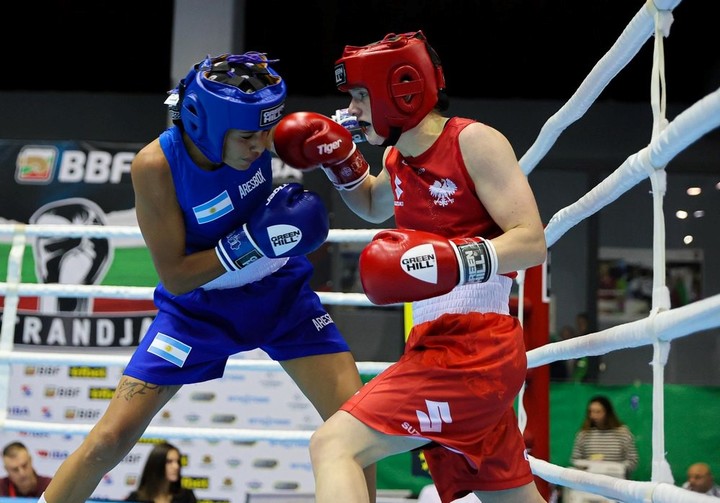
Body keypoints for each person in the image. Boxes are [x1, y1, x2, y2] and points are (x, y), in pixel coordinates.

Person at [36, 52, 375, 503]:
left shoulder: (261, 132)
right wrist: (251, 241)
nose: (261, 146)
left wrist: (347, 136)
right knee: (108, 442)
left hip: (280, 294)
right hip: (198, 309)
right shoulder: (156, 166)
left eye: (266, 132)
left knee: (357, 427)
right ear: (206, 126)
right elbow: (175, 276)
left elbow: (319, 134)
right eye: (248, 136)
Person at [273, 30, 547, 503]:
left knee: (333, 445)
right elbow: (375, 205)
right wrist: (340, 163)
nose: (353, 109)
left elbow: (532, 241)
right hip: (437, 340)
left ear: (400, 89)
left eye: (360, 95)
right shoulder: (398, 156)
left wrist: (453, 258)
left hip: (473, 347)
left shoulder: (474, 140)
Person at [570, 395, 638, 478]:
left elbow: (633, 460)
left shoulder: (623, 434)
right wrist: (589, 466)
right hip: (591, 482)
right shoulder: (584, 434)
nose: (594, 416)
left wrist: (614, 468)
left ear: (607, 413)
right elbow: (575, 459)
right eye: (591, 412)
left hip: (616, 483)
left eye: (598, 412)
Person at [125, 442, 197, 503]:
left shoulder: (186, 496)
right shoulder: (136, 499)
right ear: (157, 464)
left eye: (177, 461)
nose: (176, 466)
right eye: (169, 462)